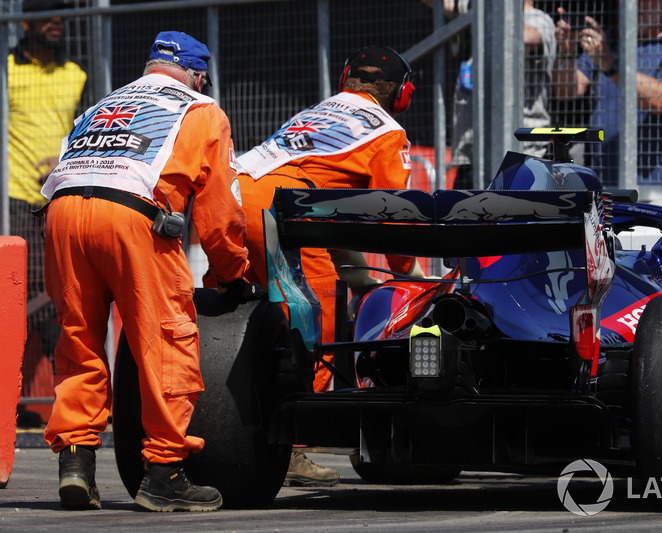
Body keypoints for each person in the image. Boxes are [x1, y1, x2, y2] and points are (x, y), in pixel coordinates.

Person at [40, 31, 261, 512]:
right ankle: (163, 474)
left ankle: (76, 464)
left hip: (62, 213)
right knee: (166, 343)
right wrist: (231, 274)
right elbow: (220, 215)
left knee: (79, 339)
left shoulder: (102, 104)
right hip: (132, 217)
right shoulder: (201, 109)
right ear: (198, 74)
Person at [233, 45, 424, 487]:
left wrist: (357, 277)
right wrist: (410, 273)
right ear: (401, 93)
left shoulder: (316, 112)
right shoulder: (387, 132)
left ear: (347, 80)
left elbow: (330, 208)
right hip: (284, 214)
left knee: (238, 327)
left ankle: (223, 428)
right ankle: (296, 447)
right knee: (311, 327)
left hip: (233, 203)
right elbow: (396, 221)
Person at [7, 0, 87, 404]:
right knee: (26, 296)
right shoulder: (6, 70)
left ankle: (71, 399)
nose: (57, 21)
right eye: (47, 14)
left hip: (61, 196)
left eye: (62, 14)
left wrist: (65, 157)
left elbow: (93, 128)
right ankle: (20, 398)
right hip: (16, 198)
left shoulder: (77, 74)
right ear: (26, 21)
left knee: (62, 295)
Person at [552, 0, 662, 192]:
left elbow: (660, 100)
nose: (635, 5)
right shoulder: (610, 40)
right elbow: (566, 91)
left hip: (660, 189)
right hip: (606, 186)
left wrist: (610, 63)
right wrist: (566, 51)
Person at [437, 0, 556, 189]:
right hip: (471, 156)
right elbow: (446, 4)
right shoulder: (480, 9)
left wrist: (494, 16)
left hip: (521, 159)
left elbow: (530, 37)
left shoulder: (539, 19)